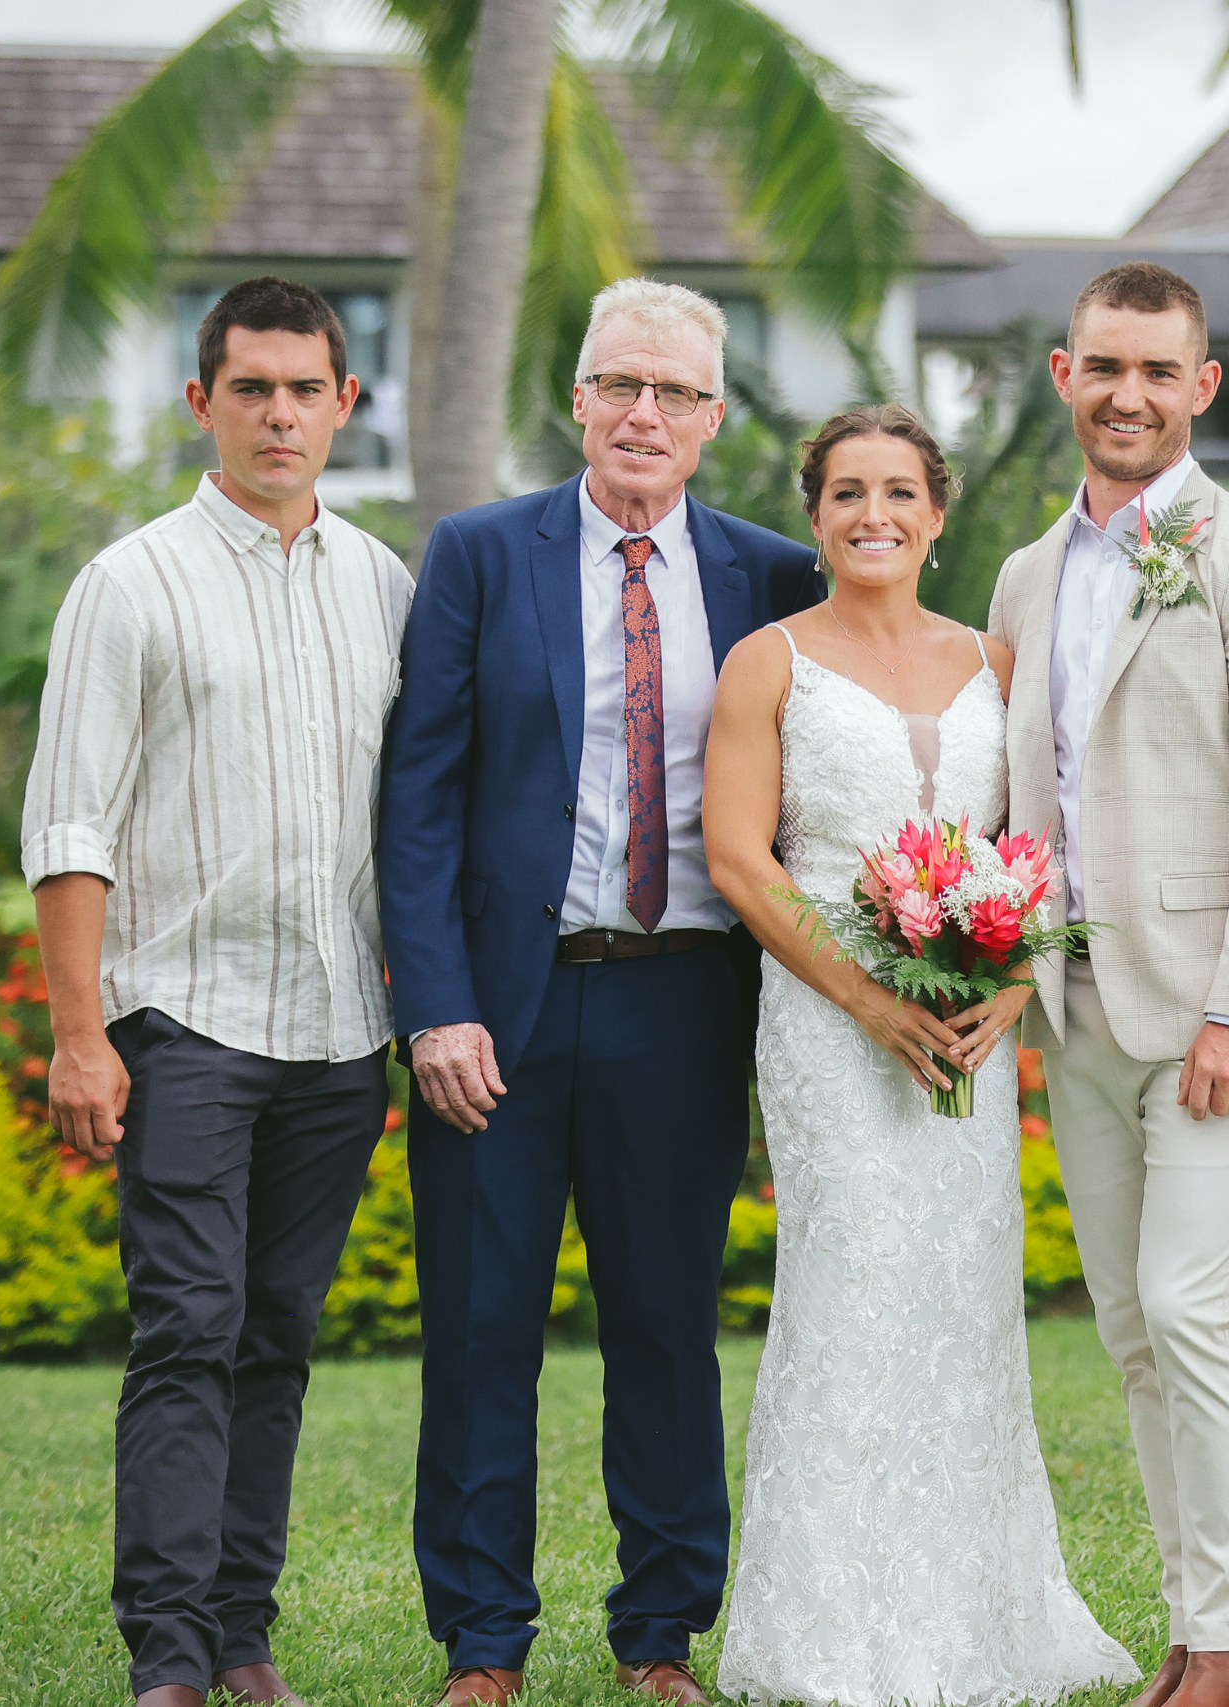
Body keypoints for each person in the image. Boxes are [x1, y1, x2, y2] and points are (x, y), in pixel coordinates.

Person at [377, 278, 821, 1707]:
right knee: (482, 1324)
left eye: (675, 393)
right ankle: (483, 1640)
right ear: (576, 399)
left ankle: (659, 1632)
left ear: (714, 418)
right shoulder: (480, 554)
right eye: (619, 385)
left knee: (664, 1326)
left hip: (685, 1003)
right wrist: (434, 1006)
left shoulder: (770, 577)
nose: (645, 413)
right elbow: (420, 799)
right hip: (496, 1012)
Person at [702, 403, 1140, 1707]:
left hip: (971, 1020)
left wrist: (1008, 989)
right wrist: (867, 1000)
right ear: (816, 512)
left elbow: (1053, 839)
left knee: (961, 1299)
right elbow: (740, 857)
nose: (873, 514)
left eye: (899, 491)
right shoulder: (767, 663)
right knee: (848, 1293)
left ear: (938, 515)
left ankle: (985, 1612)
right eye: (847, 492)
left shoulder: (1000, 659)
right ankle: (828, 1625)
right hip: (830, 1023)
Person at [22, 276, 409, 1707]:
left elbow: (412, 812)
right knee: (187, 1327)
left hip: (332, 1031)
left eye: (306, 389)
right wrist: (81, 1036)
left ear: (346, 404)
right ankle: (169, 1660)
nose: (280, 414)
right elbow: (70, 818)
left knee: (279, 1338)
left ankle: (244, 1641)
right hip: (181, 1021)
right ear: (203, 403)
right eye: (251, 388)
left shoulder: (385, 583)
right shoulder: (130, 582)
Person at [988, 262, 1229, 1707]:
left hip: (1214, 1010)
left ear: (1202, 386)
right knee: (1131, 1326)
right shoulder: (1021, 572)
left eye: (1160, 369)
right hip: (1076, 1009)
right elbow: (1029, 791)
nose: (1128, 393)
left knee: (1192, 1310)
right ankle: (1195, 1627)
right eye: (1104, 366)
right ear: (1065, 376)